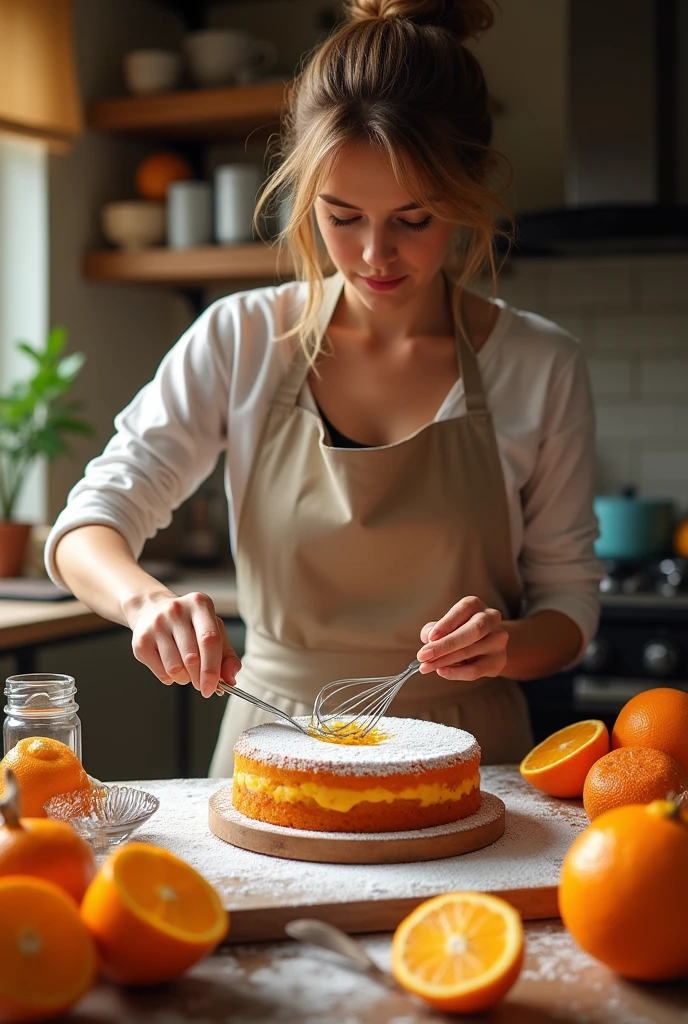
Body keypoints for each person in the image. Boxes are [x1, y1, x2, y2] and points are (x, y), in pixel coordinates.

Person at [46, 0, 602, 776]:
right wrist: (145, 603)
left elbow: (570, 608)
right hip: (270, 747)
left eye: (414, 218)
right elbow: (86, 526)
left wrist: (507, 645)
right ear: (306, 197)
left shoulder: (540, 365)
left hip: (473, 764)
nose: (375, 254)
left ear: (467, 192)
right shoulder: (240, 339)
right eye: (342, 216)